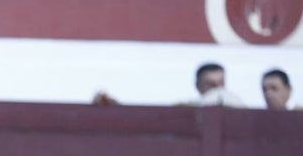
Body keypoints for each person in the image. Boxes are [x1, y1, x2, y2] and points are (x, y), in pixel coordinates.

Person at [92, 61, 244, 107]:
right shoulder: (188, 109)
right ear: (198, 86)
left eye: (221, 83)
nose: (218, 90)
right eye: (210, 85)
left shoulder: (235, 104)